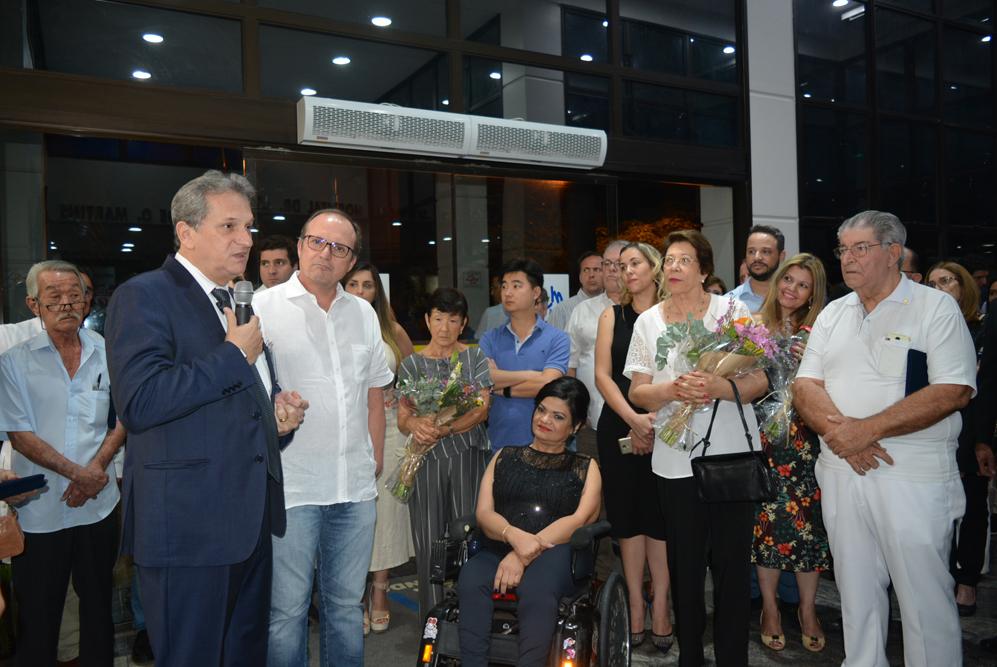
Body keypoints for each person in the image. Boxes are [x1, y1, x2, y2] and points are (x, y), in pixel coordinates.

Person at [105, 170, 306, 667]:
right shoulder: (143, 295)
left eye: (249, 226)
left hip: (249, 524)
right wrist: (233, 355)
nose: (247, 240)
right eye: (229, 226)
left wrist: (276, 420)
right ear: (186, 232)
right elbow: (140, 402)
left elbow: (235, 403)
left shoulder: (238, 302)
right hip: (188, 531)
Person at [794, 211, 976, 667]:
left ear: (893, 253)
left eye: (860, 248)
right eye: (843, 250)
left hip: (910, 476)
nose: (847, 259)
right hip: (841, 469)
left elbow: (953, 390)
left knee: (923, 597)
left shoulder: (935, 307)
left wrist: (864, 431)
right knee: (854, 592)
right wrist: (841, 435)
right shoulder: (834, 312)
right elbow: (804, 385)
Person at [254, 208, 392, 667]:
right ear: (299, 246)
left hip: (354, 487)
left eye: (339, 248)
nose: (325, 254)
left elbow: (374, 393)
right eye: (317, 241)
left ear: (351, 262)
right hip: (292, 485)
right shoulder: (263, 309)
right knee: (286, 612)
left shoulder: (363, 314)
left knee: (346, 608)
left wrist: (374, 456)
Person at [627, 230, 769, 667]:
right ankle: (689, 656)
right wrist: (672, 390)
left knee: (731, 568)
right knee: (685, 569)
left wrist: (719, 386)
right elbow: (638, 392)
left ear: (704, 271)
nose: (673, 267)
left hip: (730, 457)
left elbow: (761, 379)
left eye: (684, 260)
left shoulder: (732, 311)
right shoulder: (648, 321)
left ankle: (732, 659)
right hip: (675, 461)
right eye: (668, 260)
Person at [0, 260, 124, 667]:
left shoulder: (108, 352)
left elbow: (124, 418)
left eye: (75, 295)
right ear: (34, 305)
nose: (67, 304)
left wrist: (95, 472)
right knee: (37, 617)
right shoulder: (13, 361)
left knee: (98, 611)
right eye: (54, 297)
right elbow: (20, 435)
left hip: (97, 504)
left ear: (87, 301)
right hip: (39, 509)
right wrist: (78, 475)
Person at [456, 377, 602, 667]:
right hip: (499, 546)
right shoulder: (504, 456)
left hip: (559, 552)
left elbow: (580, 519)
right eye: (541, 410)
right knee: (471, 578)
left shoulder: (585, 467)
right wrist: (514, 537)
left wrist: (522, 555)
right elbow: (484, 514)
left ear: (575, 426)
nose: (544, 420)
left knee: (536, 588)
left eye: (558, 416)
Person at [750, 254, 831, 653]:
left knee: (807, 525)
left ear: (812, 294)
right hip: (760, 438)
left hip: (804, 440)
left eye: (803, 285)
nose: (792, 289)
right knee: (766, 524)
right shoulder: (752, 325)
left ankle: (808, 610)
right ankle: (770, 608)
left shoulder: (820, 330)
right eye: (788, 280)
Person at [593, 242, 672, 650]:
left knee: (659, 516)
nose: (626, 271)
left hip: (668, 425)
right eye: (621, 266)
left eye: (634, 263)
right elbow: (603, 376)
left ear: (654, 266)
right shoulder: (612, 315)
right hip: (620, 424)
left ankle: (661, 604)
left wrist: (653, 421)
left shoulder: (673, 312)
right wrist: (634, 420)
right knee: (626, 517)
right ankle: (636, 604)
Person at [397, 288, 493, 619]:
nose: (445, 327)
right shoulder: (411, 364)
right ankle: (432, 619)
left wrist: (446, 429)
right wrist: (415, 424)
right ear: (427, 320)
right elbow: (403, 417)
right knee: (427, 540)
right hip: (425, 460)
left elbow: (481, 409)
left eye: (453, 320)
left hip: (466, 453)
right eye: (438, 319)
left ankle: (471, 614)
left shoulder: (474, 358)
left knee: (470, 534)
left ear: (463, 324)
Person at [342, 261, 416, 634]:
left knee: (386, 513)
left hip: (388, 428)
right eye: (352, 284)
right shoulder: (333, 324)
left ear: (377, 291)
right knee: (350, 514)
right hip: (344, 430)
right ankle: (352, 595)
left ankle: (380, 592)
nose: (360, 291)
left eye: (367, 285)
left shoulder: (392, 330)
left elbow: (414, 379)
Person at [564, 240, 628, 585]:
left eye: (620, 263)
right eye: (607, 264)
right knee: (594, 501)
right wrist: (577, 411)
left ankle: (645, 575)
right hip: (591, 424)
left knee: (633, 498)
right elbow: (571, 366)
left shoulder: (647, 311)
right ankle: (604, 574)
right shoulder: (583, 311)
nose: (612, 270)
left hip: (636, 424)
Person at [925, 261, 987, 616]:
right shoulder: (927, 330)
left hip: (974, 430)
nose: (938, 288)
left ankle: (968, 583)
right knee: (940, 512)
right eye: (932, 283)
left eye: (946, 281)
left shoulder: (981, 329)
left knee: (973, 509)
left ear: (964, 287)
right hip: (936, 430)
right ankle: (944, 579)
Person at [479, 259, 571, 453]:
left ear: (535, 293)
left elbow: (548, 385)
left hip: (545, 446)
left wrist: (502, 389)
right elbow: (484, 378)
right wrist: (531, 374)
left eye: (516, 286)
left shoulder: (558, 338)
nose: (507, 293)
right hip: (498, 444)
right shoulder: (490, 338)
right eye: (504, 286)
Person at [726, 225, 787, 313]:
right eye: (751, 251)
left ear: (781, 256)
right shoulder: (728, 303)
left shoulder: (793, 300)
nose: (757, 258)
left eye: (765, 251)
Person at [545, 251, 605, 330]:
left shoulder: (613, 306)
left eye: (597, 269)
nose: (591, 275)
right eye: (586, 270)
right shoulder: (562, 310)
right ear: (580, 277)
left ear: (606, 275)